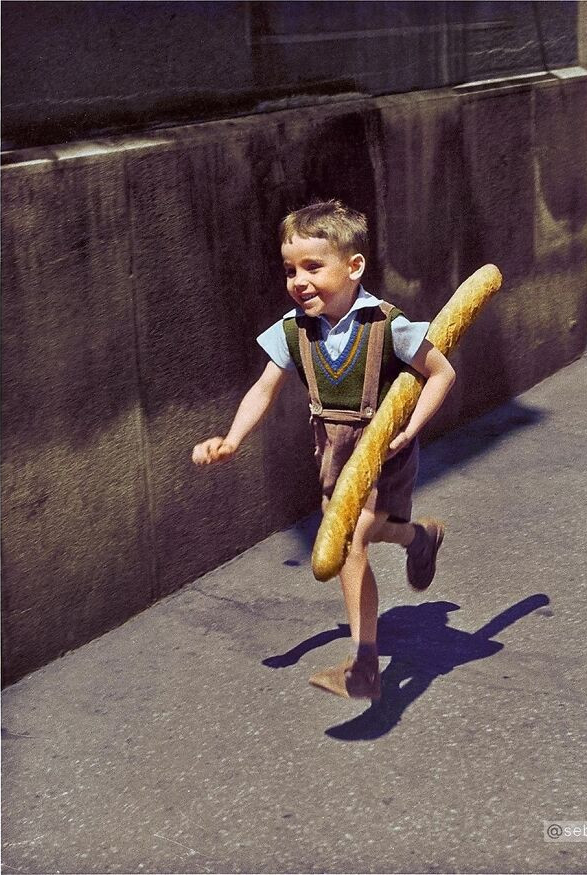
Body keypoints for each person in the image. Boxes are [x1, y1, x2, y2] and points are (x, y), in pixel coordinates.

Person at [192, 200, 455, 701]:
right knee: (361, 534)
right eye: (290, 269)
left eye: (313, 267)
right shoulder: (294, 329)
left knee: (350, 544)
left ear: (353, 267)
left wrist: (409, 429)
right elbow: (263, 388)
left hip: (382, 450)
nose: (299, 280)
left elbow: (441, 372)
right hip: (332, 452)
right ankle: (418, 537)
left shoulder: (386, 323)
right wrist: (232, 438)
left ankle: (365, 664)